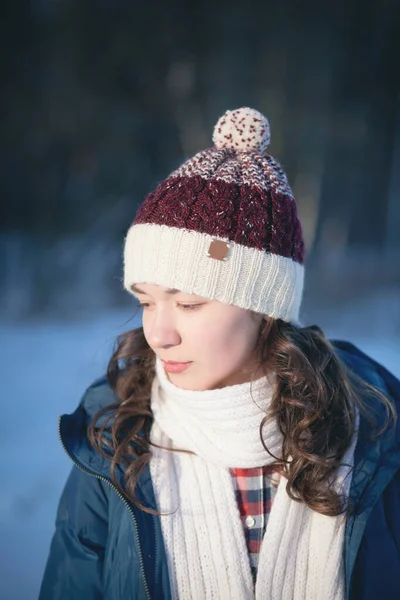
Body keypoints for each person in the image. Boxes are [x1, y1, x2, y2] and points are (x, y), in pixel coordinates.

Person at [39, 107, 400, 600]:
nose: (159, 333)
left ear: (266, 309)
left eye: (188, 303)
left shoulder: (375, 431)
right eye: (145, 301)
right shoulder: (114, 439)